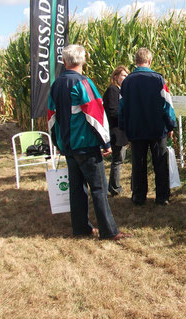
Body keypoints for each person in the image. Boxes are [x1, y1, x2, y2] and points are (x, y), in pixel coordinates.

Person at [48, 44, 130, 241]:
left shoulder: (56, 85)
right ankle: (108, 231)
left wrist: (56, 142)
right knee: (99, 188)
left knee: (76, 189)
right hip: (85, 145)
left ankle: (81, 228)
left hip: (68, 146)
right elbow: (95, 114)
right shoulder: (83, 83)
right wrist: (106, 142)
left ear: (65, 62)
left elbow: (51, 118)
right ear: (83, 61)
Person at [119, 48, 177, 206]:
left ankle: (139, 196)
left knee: (138, 163)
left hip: (136, 129)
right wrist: (171, 125)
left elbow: (121, 107)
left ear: (136, 61)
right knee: (160, 163)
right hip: (157, 129)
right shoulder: (158, 79)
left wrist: (124, 127)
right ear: (150, 61)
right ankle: (162, 197)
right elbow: (167, 105)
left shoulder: (127, 82)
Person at [102, 65, 129, 197]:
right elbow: (112, 111)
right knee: (118, 160)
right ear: (116, 77)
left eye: (126, 75)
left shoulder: (119, 91)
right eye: (123, 75)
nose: (125, 78)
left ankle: (113, 186)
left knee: (119, 159)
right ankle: (114, 187)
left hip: (119, 131)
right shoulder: (113, 90)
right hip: (116, 131)